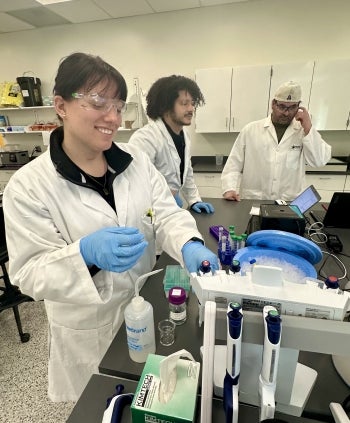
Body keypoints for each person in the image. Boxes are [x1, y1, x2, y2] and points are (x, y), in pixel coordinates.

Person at [3, 52, 219, 402]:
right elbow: (27, 273)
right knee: (99, 404)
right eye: (98, 101)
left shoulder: (137, 165)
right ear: (61, 105)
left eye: (118, 106)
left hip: (143, 310)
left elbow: (166, 214)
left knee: (146, 396)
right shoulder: (29, 187)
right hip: (88, 330)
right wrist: (84, 255)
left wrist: (190, 243)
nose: (113, 117)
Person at [221, 81, 332, 201]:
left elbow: (319, 161)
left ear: (299, 106)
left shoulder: (303, 132)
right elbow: (233, 163)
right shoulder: (251, 130)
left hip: (289, 203)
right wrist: (229, 188)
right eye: (282, 106)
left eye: (292, 107)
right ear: (273, 104)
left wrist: (309, 127)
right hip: (254, 200)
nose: (286, 112)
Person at [128, 75, 214, 214]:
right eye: (184, 103)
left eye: (192, 103)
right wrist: (165, 197)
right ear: (165, 106)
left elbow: (187, 173)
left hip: (170, 209)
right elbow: (136, 182)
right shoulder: (145, 138)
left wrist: (194, 200)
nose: (191, 108)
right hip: (149, 211)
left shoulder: (184, 135)